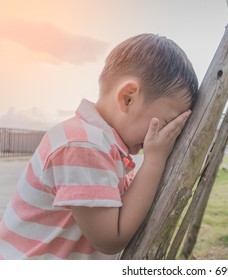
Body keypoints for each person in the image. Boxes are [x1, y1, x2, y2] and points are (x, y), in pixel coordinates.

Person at [0, 33, 198, 259]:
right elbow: (110, 239)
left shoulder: (100, 144)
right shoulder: (83, 145)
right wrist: (154, 160)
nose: (167, 135)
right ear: (128, 98)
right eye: (166, 123)